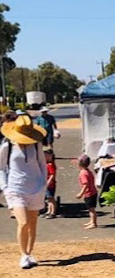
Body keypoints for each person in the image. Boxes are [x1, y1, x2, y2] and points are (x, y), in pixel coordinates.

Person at [0, 115, 48, 269]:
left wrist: (43, 185)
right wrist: (5, 187)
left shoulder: (36, 145)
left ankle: (29, 252)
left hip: (35, 188)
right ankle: (23, 255)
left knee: (33, 223)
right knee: (23, 222)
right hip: (15, 189)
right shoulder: (6, 146)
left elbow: (42, 164)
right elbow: (1, 168)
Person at [75, 155, 98, 229]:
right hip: (92, 192)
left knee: (91, 209)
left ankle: (94, 223)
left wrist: (81, 193)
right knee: (90, 209)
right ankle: (91, 221)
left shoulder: (83, 173)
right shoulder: (87, 171)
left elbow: (86, 184)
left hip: (89, 193)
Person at [43, 147, 57, 219]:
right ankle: (49, 211)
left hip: (50, 185)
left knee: (51, 198)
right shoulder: (47, 164)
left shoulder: (50, 165)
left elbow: (52, 175)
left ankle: (53, 212)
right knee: (48, 199)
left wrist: (48, 182)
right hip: (46, 184)